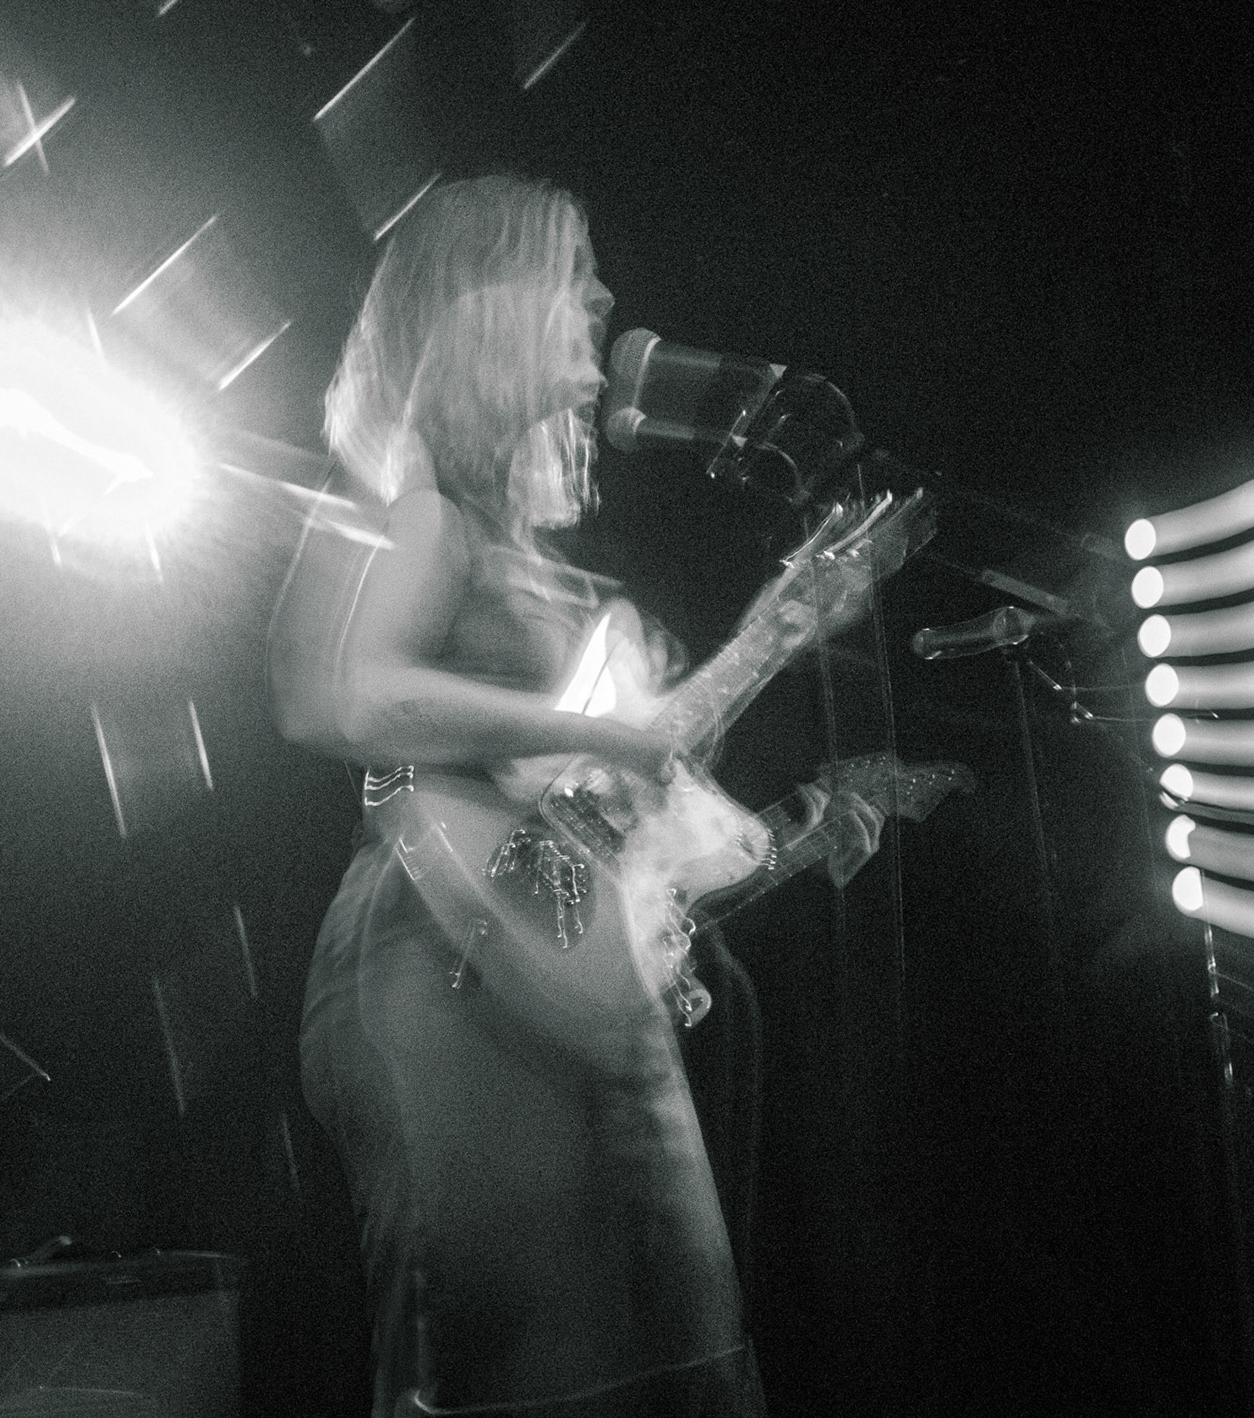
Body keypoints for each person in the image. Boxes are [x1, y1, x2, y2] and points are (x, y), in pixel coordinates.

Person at [268, 174, 766, 1417]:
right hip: (444, 957)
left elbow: (561, 801)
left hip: (534, 953)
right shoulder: (426, 512)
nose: (603, 295)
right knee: (543, 1358)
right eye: (572, 271)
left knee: (647, 1340)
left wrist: (673, 761)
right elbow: (358, 701)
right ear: (489, 304)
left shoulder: (516, 549)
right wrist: (599, 728)